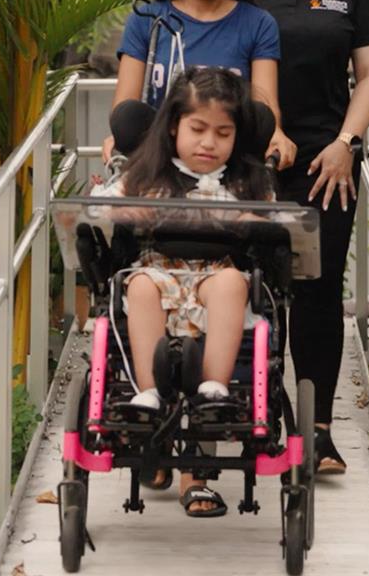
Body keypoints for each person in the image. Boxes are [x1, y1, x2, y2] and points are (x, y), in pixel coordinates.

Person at [243, 0, 369, 475]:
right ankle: (261, 415)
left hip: (326, 163)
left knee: (317, 291)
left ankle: (319, 430)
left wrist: (347, 142)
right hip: (247, 156)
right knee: (245, 286)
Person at [116, 67, 275, 517]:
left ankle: (214, 388)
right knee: (141, 287)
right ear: (174, 126)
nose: (209, 143)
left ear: (236, 136)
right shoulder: (149, 172)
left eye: (223, 133)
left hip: (215, 273)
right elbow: (108, 204)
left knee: (230, 284)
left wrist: (248, 219)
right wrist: (129, 209)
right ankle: (148, 392)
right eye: (198, 130)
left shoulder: (245, 181)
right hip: (160, 269)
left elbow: (275, 222)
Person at [101, 0, 295, 169]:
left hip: (228, 168)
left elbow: (265, 104)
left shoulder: (259, 24)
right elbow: (125, 103)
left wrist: (276, 135)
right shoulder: (146, 20)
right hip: (155, 165)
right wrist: (121, 135)